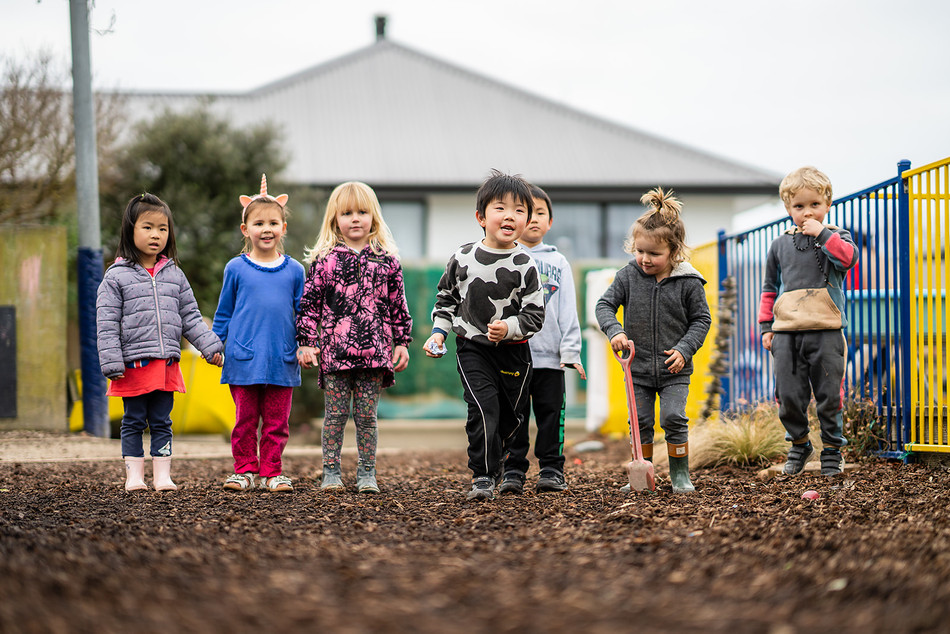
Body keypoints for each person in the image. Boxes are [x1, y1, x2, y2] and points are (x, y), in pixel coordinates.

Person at [423, 169, 545, 501]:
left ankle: (515, 470)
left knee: (513, 414)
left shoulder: (525, 265)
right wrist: (438, 334)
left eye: (520, 210)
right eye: (501, 208)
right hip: (472, 348)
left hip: (514, 352)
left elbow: (535, 314)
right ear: (481, 216)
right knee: (483, 407)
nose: (510, 215)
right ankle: (483, 475)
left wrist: (510, 327)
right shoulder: (462, 258)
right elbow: (446, 300)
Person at [96, 193, 224, 492]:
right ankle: (134, 476)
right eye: (147, 227)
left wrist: (210, 346)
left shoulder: (175, 275)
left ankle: (163, 476)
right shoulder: (116, 277)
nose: (156, 235)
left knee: (162, 421)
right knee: (134, 420)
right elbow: (106, 322)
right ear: (130, 230)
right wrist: (111, 360)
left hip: (166, 365)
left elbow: (190, 316)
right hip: (133, 365)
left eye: (163, 228)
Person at [296, 181, 412, 494]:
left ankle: (367, 473)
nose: (355, 218)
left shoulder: (387, 261)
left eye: (362, 212)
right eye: (347, 213)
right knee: (334, 416)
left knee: (367, 418)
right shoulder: (325, 261)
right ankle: (331, 471)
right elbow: (309, 306)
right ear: (335, 219)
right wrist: (307, 341)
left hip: (375, 354)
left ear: (374, 216)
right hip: (335, 355)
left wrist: (402, 342)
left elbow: (398, 305)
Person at [595, 187, 711, 493]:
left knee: (673, 417)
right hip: (639, 369)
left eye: (654, 254)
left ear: (674, 252)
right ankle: (642, 477)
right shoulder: (627, 276)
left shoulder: (689, 282)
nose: (644, 259)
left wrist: (685, 350)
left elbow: (702, 320)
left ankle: (680, 475)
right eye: (639, 251)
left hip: (674, 369)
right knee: (641, 421)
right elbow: (604, 305)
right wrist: (615, 330)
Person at [758, 166, 858, 476]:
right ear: (788, 208)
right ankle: (800, 444)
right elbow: (769, 288)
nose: (807, 212)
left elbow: (848, 259)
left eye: (814, 205)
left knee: (829, 395)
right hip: (787, 331)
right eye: (799, 206)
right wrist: (766, 327)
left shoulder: (837, 236)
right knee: (788, 395)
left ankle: (832, 450)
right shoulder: (779, 245)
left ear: (827, 204)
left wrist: (823, 234)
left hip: (826, 329)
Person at [213, 175, 305, 493]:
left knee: (277, 423)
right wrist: (214, 344)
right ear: (245, 229)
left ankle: (272, 472)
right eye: (258, 223)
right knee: (245, 421)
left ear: (283, 228)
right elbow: (223, 312)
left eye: (273, 222)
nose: (266, 229)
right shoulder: (235, 269)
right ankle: (244, 470)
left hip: (282, 360)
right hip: (242, 359)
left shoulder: (295, 271)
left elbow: (303, 314)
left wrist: (308, 344)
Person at [497, 184, 586, 495]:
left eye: (541, 213)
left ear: (550, 221)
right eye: (528, 212)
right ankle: (513, 471)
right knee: (514, 417)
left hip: (550, 357)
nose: (533, 219)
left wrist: (571, 350)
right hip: (513, 354)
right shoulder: (504, 258)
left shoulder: (559, 263)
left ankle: (551, 469)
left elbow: (567, 310)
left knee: (551, 415)